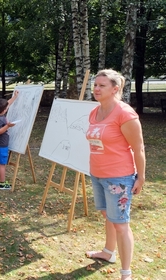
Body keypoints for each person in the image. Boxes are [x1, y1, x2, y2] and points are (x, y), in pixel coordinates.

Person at [85, 69, 145, 280]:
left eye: (102, 85)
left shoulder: (125, 114)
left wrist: (141, 177)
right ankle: (108, 253)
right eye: (95, 85)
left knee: (120, 223)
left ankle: (126, 274)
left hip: (118, 177)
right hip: (98, 174)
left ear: (115, 89)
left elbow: (138, 149)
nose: (96, 89)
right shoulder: (95, 111)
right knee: (107, 216)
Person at [0, 90, 19, 190]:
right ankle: (2, 184)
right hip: (1, 145)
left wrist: (15, 97)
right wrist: (8, 126)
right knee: (2, 164)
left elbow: (8, 103)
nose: (7, 107)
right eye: (6, 108)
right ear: (4, 110)